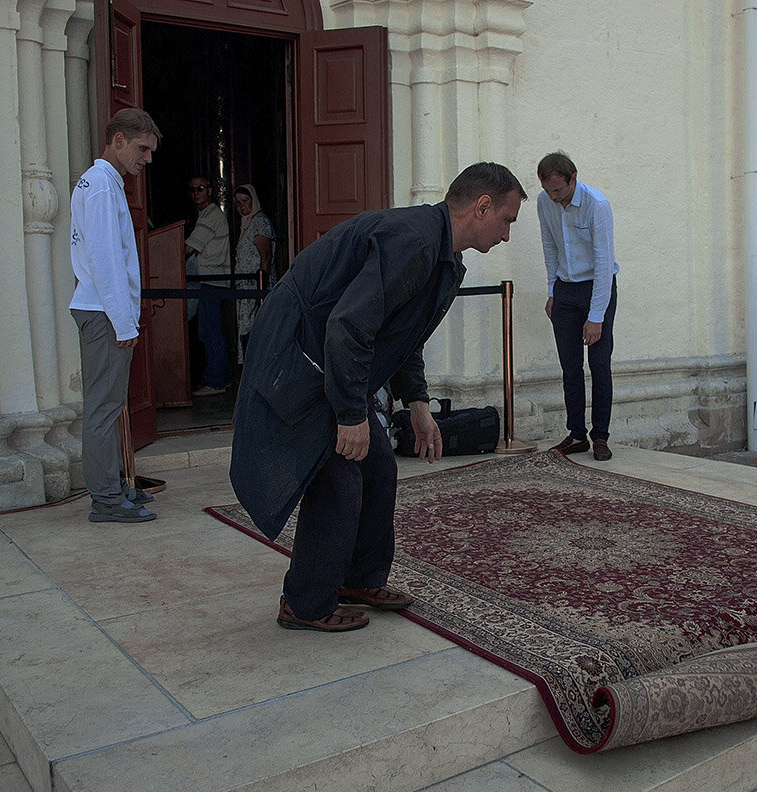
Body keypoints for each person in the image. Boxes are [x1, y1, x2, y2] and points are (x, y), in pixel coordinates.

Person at [230, 162, 526, 633]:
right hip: (300, 356)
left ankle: (357, 580)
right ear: (482, 205)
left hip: (332, 359)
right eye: (508, 220)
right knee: (339, 477)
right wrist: (350, 415)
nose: (508, 235)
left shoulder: (439, 253)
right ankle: (304, 603)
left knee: (379, 465)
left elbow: (400, 332)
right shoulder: (415, 240)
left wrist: (418, 403)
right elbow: (348, 326)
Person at [68, 108, 161, 523]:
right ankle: (106, 499)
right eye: (142, 149)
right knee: (104, 408)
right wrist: (125, 323)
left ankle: (114, 487)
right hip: (104, 312)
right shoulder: (104, 186)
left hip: (99, 309)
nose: (147, 159)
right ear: (118, 140)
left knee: (108, 404)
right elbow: (106, 260)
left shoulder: (99, 182)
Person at [536, 152, 619, 461]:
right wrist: (551, 291)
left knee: (599, 365)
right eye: (548, 191)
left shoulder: (597, 204)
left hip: (597, 288)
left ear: (573, 178)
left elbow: (603, 263)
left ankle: (600, 436)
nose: (553, 197)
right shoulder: (544, 203)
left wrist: (596, 316)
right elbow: (549, 247)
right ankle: (576, 435)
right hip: (565, 291)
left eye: (558, 190)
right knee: (570, 366)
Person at [186, 176, 232, 396]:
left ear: (210, 190)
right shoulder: (205, 214)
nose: (196, 193)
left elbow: (189, 248)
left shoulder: (211, 216)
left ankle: (216, 382)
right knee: (211, 330)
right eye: (193, 190)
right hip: (209, 280)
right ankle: (223, 378)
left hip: (210, 280)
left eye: (200, 188)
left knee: (210, 332)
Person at [231, 184, 277, 362]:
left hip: (256, 286)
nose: (242, 206)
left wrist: (261, 288)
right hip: (246, 287)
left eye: (245, 201)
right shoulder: (247, 223)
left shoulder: (259, 222)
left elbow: (265, 255)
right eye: (237, 203)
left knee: (254, 327)